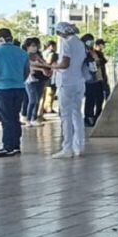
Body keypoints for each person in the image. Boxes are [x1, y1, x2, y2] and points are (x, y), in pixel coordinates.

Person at [0, 28, 29, 157]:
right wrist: (20, 81)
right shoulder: (22, 52)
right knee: (15, 116)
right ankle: (16, 145)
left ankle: (8, 146)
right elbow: (26, 72)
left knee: (6, 118)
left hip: (3, 88)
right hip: (19, 88)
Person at [50, 22, 87, 158]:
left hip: (66, 82)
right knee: (77, 114)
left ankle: (67, 148)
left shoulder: (66, 43)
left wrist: (55, 66)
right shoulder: (80, 43)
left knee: (65, 115)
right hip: (79, 81)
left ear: (61, 33)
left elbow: (65, 63)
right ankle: (79, 146)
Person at [80, 34, 105, 127]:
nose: (91, 42)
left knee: (100, 98)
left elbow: (101, 61)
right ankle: (88, 116)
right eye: (89, 40)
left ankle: (97, 115)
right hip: (88, 79)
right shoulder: (82, 52)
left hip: (98, 77)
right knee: (90, 99)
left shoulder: (94, 52)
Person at [23, 38, 49, 127]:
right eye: (33, 46)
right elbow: (29, 66)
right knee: (32, 99)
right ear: (27, 46)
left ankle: (34, 118)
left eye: (36, 46)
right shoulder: (25, 56)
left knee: (37, 99)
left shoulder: (37, 55)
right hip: (30, 80)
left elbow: (44, 63)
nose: (35, 48)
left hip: (40, 79)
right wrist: (41, 68)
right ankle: (28, 118)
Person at [41, 40, 58, 116]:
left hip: (48, 74)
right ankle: (48, 107)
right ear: (51, 46)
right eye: (54, 46)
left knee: (49, 91)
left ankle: (48, 107)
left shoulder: (43, 53)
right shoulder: (51, 54)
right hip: (50, 74)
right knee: (50, 91)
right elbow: (48, 63)